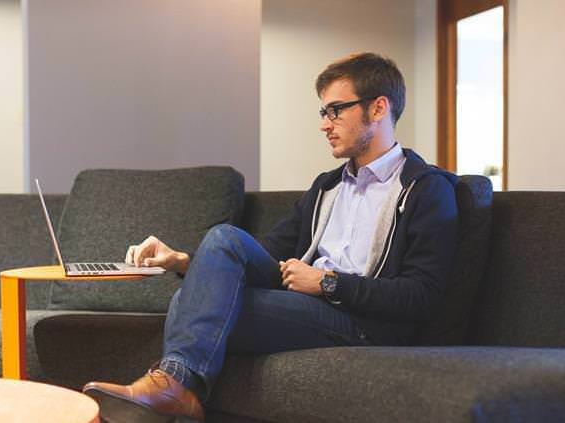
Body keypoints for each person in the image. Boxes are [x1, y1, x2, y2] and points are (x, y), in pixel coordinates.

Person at [83, 52, 459, 423]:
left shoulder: (424, 189)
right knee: (224, 242)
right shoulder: (327, 187)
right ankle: (175, 391)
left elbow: (421, 295)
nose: (324, 124)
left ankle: (173, 390)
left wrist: (327, 283)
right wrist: (182, 260)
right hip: (306, 303)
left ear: (378, 109)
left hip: (362, 323)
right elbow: (264, 253)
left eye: (336, 110)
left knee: (192, 303)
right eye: (323, 113)